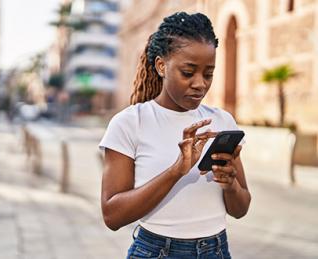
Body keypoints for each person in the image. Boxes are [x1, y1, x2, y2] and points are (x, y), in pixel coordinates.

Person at [99, 12, 251, 259]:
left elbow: (241, 209)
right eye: (188, 72)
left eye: (208, 73)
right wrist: (176, 171)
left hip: (216, 251)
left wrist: (231, 184)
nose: (200, 83)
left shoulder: (222, 121)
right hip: (156, 252)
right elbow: (112, 216)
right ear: (161, 66)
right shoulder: (130, 123)